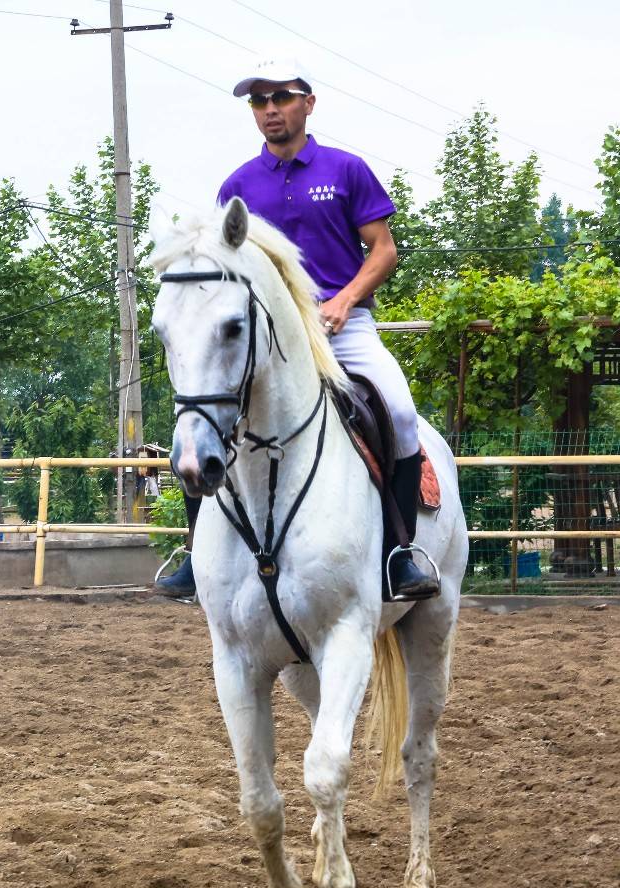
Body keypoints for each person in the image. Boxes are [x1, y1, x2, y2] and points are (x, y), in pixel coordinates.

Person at [155, 57, 439, 602]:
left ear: (308, 103)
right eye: (259, 102)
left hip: (343, 326)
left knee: (400, 412)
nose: (269, 110)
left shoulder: (346, 169)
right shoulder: (238, 184)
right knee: (204, 416)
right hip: (269, 337)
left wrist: (345, 300)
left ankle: (399, 554)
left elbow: (384, 251)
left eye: (280, 98)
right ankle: (197, 554)